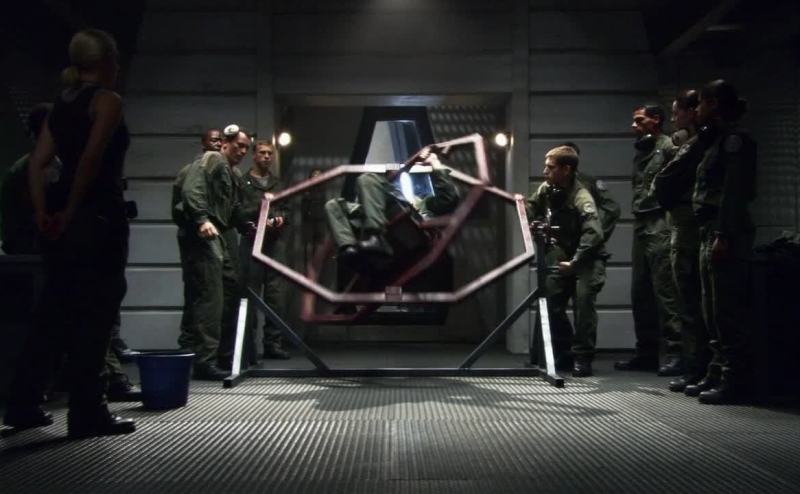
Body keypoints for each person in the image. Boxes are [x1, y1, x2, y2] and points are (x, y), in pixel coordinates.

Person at [3, 29, 135, 438]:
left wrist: (46, 211)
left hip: (63, 221)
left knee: (54, 310)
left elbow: (37, 163)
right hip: (99, 218)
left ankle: (23, 403)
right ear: (108, 61)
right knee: (98, 312)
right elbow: (92, 160)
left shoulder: (61, 103)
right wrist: (75, 208)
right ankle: (87, 411)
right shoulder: (107, 101)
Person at [685, 80, 756, 405]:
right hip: (709, 230)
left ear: (713, 103)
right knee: (710, 308)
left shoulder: (734, 141)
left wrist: (724, 234)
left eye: (700, 103)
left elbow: (734, 192)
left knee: (727, 309)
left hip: (725, 231)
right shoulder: (714, 142)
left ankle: (735, 378)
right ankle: (716, 370)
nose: (697, 110)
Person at [174, 124, 250, 379]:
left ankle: (218, 356)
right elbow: (191, 190)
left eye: (246, 148)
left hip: (217, 233)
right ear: (225, 144)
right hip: (202, 234)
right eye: (239, 146)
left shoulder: (233, 172)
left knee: (227, 289)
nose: (243, 151)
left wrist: (248, 225)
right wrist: (201, 219)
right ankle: (204, 360)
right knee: (210, 295)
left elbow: (233, 207)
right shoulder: (212, 159)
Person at [615, 104, 683, 376]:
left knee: (665, 290)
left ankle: (677, 352)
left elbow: (680, 184)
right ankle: (646, 352)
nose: (634, 126)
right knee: (640, 293)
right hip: (642, 223)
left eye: (639, 120)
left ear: (656, 120)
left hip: (660, 221)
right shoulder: (642, 152)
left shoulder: (669, 147)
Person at [527, 146, 606, 377]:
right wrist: (533, 218)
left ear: (566, 169)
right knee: (551, 301)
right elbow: (531, 205)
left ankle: (582, 357)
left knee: (584, 304)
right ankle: (563, 352)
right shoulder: (547, 188)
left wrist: (575, 262)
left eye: (550, 168)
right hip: (562, 252)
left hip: (587, 257)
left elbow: (594, 234)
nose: (545, 171)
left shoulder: (582, 197)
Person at [653, 90, 711, 392]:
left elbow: (663, 182)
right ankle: (700, 368)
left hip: (690, 226)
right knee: (694, 301)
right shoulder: (694, 143)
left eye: (678, 112)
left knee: (692, 301)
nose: (674, 118)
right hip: (689, 224)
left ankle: (697, 368)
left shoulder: (698, 144)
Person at [324, 148, 459, 266]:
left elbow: (449, 197)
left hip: (410, 226)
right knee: (334, 206)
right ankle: (348, 248)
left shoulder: (424, 204)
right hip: (385, 220)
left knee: (367, 179)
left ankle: (375, 236)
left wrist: (434, 162)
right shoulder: (378, 203)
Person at [237, 140, 290, 361]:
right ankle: (248, 347)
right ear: (254, 155)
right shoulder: (243, 182)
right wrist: (260, 208)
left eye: (270, 153)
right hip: (252, 242)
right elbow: (238, 211)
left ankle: (273, 344)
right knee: (250, 293)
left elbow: (286, 208)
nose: (267, 156)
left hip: (274, 243)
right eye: (262, 153)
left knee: (276, 296)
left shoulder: (278, 183)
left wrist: (279, 218)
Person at [173, 128, 222, 353]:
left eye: (220, 140)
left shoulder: (217, 169)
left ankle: (193, 347)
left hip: (204, 234)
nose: (218, 143)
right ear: (204, 143)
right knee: (200, 293)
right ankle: (192, 347)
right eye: (213, 140)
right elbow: (182, 204)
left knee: (202, 293)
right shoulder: (194, 169)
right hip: (196, 236)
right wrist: (200, 221)